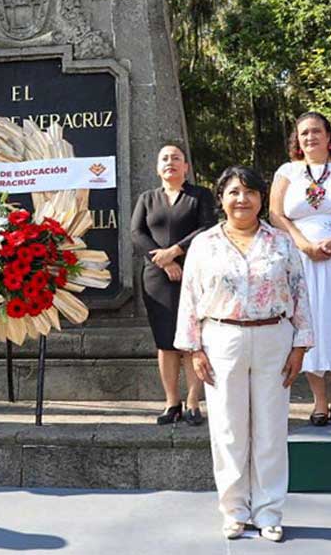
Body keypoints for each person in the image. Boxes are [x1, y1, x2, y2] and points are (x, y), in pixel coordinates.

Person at [175, 165, 312, 543]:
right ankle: (234, 510)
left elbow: (300, 294)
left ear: (261, 198)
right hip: (221, 340)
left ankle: (269, 511)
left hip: (273, 339)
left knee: (270, 429)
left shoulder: (281, 242)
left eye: (250, 192)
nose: (242, 199)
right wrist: (195, 351)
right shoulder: (204, 244)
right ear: (221, 198)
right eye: (234, 192)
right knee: (228, 430)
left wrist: (301, 345)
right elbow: (189, 299)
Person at [270, 112, 331, 426]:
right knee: (311, 323)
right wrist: (302, 243)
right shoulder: (288, 172)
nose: (310, 138)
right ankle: (319, 402)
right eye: (303, 134)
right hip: (303, 259)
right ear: (296, 141)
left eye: (316, 132)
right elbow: (275, 213)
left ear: (328, 136)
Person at [130, 142, 216, 425]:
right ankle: (171, 403)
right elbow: (137, 232)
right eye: (164, 158)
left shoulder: (199, 196)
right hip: (157, 277)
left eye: (176, 158)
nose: (170, 162)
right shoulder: (147, 198)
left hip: (194, 272)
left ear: (186, 166)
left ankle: (193, 401)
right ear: (158, 167)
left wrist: (175, 252)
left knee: (193, 340)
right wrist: (163, 261)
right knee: (166, 342)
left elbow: (206, 227)